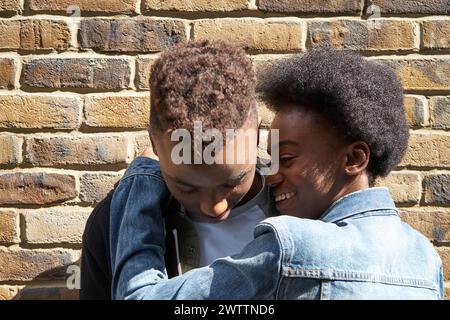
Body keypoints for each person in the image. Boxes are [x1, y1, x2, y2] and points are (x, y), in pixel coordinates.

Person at [110, 49, 444, 299]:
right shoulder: (425, 257)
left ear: (355, 158)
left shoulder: (294, 245)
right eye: (268, 158)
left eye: (285, 158)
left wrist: (143, 177)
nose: (270, 175)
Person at [80, 40, 278, 299]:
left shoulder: (302, 208)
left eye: (231, 183)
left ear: (257, 135)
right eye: (187, 187)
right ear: (154, 143)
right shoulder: (114, 223)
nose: (214, 207)